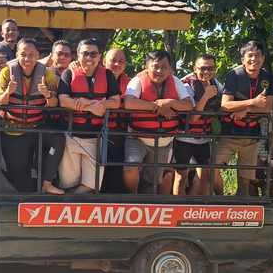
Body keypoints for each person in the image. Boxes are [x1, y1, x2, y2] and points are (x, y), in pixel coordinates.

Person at [0, 38, 64, 194]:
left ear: (37, 55)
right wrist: (8, 92)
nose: (27, 59)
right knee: (21, 180)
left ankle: (47, 183)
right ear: (17, 55)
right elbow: (0, 102)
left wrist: (47, 94)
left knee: (58, 139)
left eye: (31, 55)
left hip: (36, 127)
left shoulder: (47, 75)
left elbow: (54, 104)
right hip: (12, 130)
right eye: (23, 54)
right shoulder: (7, 72)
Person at [123, 50, 193, 194]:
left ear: (169, 68)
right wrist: (159, 107)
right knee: (131, 166)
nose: (159, 70)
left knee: (152, 180)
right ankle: (131, 197)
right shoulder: (137, 81)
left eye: (164, 66)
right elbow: (129, 103)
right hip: (137, 137)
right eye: (155, 66)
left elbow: (188, 105)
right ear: (147, 66)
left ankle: (145, 205)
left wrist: (170, 102)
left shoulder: (175, 82)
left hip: (163, 142)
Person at [57, 38, 121, 194]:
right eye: (85, 53)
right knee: (68, 182)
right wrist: (92, 106)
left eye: (93, 54)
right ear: (78, 55)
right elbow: (63, 100)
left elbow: (116, 101)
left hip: (95, 137)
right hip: (71, 135)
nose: (89, 58)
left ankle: (68, 204)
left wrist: (92, 104)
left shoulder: (107, 75)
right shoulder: (69, 73)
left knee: (91, 185)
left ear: (99, 57)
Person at [215, 40, 273, 196]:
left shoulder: (268, 78)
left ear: (263, 58)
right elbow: (225, 105)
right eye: (250, 55)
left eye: (258, 55)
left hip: (252, 135)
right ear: (243, 59)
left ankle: (240, 209)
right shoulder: (234, 75)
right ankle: (220, 201)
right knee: (213, 168)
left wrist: (246, 109)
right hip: (230, 133)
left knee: (244, 180)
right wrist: (253, 103)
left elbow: (267, 107)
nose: (254, 59)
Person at [173, 53, 223, 195]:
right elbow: (193, 118)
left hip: (203, 138)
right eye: (202, 68)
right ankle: (178, 209)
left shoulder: (216, 84)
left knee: (206, 175)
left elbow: (227, 97)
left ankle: (205, 207)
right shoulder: (187, 84)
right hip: (184, 138)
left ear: (215, 69)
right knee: (181, 176)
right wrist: (206, 96)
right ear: (195, 68)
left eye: (210, 68)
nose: (206, 72)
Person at [100, 48, 130, 193]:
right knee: (97, 180)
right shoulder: (94, 79)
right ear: (104, 61)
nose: (117, 64)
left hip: (121, 141)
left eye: (121, 61)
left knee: (116, 182)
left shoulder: (131, 84)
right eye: (113, 60)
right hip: (98, 138)